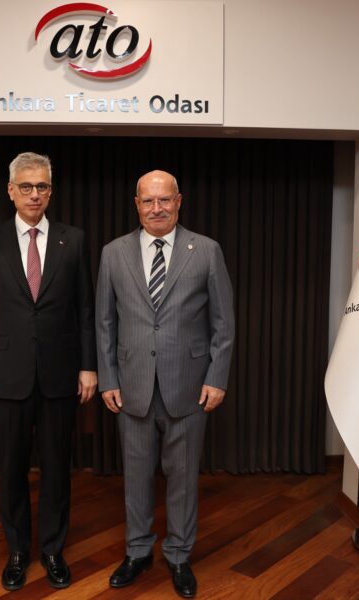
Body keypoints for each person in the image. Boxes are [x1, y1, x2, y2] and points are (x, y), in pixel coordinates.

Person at [0, 151, 97, 592]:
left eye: (41, 187)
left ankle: (53, 550)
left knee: (57, 470)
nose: (34, 194)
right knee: (12, 470)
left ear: (50, 192)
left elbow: (86, 309)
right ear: (11, 191)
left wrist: (88, 365)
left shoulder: (74, 240)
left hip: (60, 375)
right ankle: (18, 551)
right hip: (5, 375)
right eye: (26, 186)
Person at [96, 170, 235, 598]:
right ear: (136, 205)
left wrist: (216, 377)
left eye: (164, 200)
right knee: (136, 476)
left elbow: (223, 323)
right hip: (131, 386)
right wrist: (107, 378)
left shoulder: (206, 250)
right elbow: (104, 323)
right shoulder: (113, 253)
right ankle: (138, 552)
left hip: (189, 387)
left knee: (183, 477)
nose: (156, 208)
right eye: (148, 201)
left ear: (179, 201)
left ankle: (178, 555)